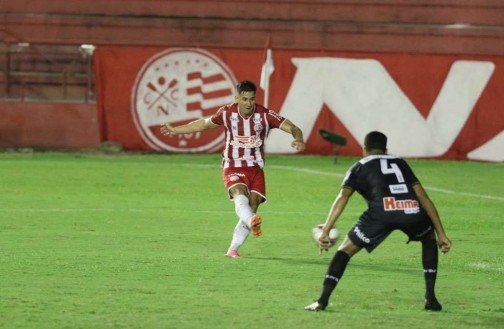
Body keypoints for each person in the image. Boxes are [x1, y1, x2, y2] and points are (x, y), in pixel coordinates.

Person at [304, 131, 452, 312]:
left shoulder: (358, 166)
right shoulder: (400, 162)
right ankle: (431, 298)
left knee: (344, 251)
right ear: (386, 149)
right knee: (428, 237)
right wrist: (441, 234)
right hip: (410, 209)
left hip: (381, 213)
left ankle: (322, 301)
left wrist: (326, 230)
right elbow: (424, 197)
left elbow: (342, 198)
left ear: (364, 149)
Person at [160, 80, 305, 258]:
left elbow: (293, 127)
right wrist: (175, 130)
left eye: (251, 99)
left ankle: (233, 249)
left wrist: (298, 139)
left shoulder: (265, 115)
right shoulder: (227, 113)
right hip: (233, 164)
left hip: (256, 168)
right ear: (237, 98)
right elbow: (203, 124)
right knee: (239, 194)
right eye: (244, 99)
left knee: (252, 205)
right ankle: (251, 220)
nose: (248, 103)